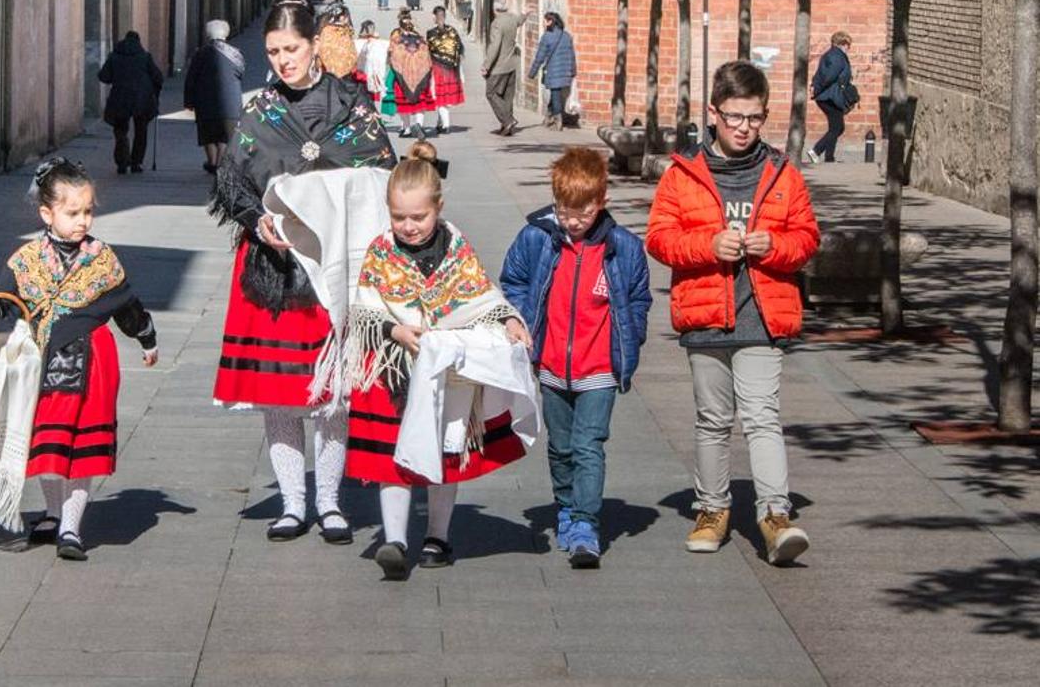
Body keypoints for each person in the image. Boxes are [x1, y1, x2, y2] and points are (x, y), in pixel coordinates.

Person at [210, 0, 396, 546]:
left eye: (291, 49)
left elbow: (382, 173)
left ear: (314, 45)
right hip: (274, 271)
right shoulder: (258, 110)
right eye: (273, 51)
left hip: (334, 271)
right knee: (281, 393)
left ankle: (331, 502)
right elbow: (231, 182)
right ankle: (292, 503)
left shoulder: (352, 104)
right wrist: (256, 220)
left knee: (332, 391)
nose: (283, 60)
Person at [645, 61, 820, 566]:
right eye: (735, 117)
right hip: (705, 314)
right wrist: (709, 244)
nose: (745, 127)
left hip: (763, 315)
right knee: (713, 420)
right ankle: (712, 509)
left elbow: (807, 238)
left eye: (755, 117)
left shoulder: (782, 173)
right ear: (713, 114)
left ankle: (774, 516)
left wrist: (775, 246)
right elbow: (659, 237)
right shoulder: (683, 175)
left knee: (763, 417)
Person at [342, 141, 534, 580]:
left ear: (438, 207)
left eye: (418, 217)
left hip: (447, 369)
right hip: (394, 368)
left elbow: (480, 295)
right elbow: (365, 307)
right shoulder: (380, 250)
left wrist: (507, 320)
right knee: (394, 455)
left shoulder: (457, 247)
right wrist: (393, 329)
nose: (407, 227)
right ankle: (393, 540)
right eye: (398, 217)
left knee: (447, 451)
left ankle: (438, 535)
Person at [0, 158, 159, 561]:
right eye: (72, 212)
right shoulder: (26, 260)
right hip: (42, 363)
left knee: (83, 447)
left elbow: (127, 305)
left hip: (95, 361)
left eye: (88, 211)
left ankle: (71, 526)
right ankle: (52, 510)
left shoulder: (102, 259)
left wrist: (146, 338)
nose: (82, 221)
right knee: (48, 443)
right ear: (48, 213)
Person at [499, 148, 651, 569]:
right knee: (561, 446)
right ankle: (566, 507)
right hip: (550, 363)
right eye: (565, 211)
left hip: (599, 367)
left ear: (600, 203)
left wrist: (630, 340)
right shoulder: (536, 238)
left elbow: (637, 299)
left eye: (582, 213)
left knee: (589, 445)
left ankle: (585, 523)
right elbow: (512, 280)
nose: (572, 221)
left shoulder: (622, 247)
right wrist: (518, 320)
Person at [182, 20, 245, 175]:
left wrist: (189, 101)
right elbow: (241, 72)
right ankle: (220, 163)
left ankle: (212, 162)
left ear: (208, 34)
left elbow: (191, 79)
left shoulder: (200, 53)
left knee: (208, 134)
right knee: (224, 136)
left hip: (205, 101)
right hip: (230, 102)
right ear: (226, 33)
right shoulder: (235, 53)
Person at [100, 30, 164, 174]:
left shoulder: (114, 57)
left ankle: (122, 161)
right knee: (141, 130)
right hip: (141, 98)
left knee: (121, 131)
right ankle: (137, 163)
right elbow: (158, 77)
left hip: (119, 98)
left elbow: (104, 76)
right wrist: (154, 92)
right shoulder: (145, 57)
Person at [482, 0, 528, 137]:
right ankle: (506, 126)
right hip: (511, 64)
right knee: (507, 96)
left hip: (499, 66)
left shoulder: (497, 23)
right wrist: (525, 14)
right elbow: (520, 21)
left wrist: (486, 65)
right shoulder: (511, 19)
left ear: (494, 8)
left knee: (491, 93)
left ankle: (508, 120)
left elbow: (494, 46)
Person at [808, 32, 855, 164]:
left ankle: (829, 157)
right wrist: (817, 89)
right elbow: (829, 77)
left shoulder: (830, 55)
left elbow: (819, 74)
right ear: (842, 44)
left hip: (827, 96)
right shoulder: (837, 57)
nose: (848, 48)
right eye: (848, 45)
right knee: (837, 127)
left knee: (835, 127)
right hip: (830, 97)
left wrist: (814, 86)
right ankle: (816, 151)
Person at [527, 12, 578, 132]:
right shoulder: (566, 36)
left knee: (555, 94)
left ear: (550, 22)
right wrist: (573, 70)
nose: (544, 24)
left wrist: (532, 73)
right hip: (565, 70)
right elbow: (572, 55)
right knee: (556, 94)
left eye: (545, 21)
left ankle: (558, 121)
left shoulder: (547, 37)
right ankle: (548, 117)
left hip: (554, 71)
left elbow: (539, 57)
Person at [388, 10, 435, 138]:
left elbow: (393, 53)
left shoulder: (396, 36)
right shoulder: (419, 37)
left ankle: (407, 128)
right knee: (420, 102)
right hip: (419, 75)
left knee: (403, 103)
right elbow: (426, 54)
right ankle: (419, 125)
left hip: (402, 76)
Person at [426, 6, 465, 136]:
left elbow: (428, 51)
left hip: (438, 68)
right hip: (452, 69)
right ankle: (440, 122)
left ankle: (446, 124)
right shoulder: (452, 31)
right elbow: (460, 49)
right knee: (443, 98)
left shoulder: (431, 33)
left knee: (440, 97)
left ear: (434, 17)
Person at [316, 0, 359, 80]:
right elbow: (353, 59)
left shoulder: (324, 32)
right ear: (341, 17)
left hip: (326, 80)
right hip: (343, 81)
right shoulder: (343, 34)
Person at [356, 20, 391, 110]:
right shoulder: (380, 43)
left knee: (368, 96)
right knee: (373, 95)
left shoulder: (357, 43)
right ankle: (374, 114)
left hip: (365, 74)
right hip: (368, 74)